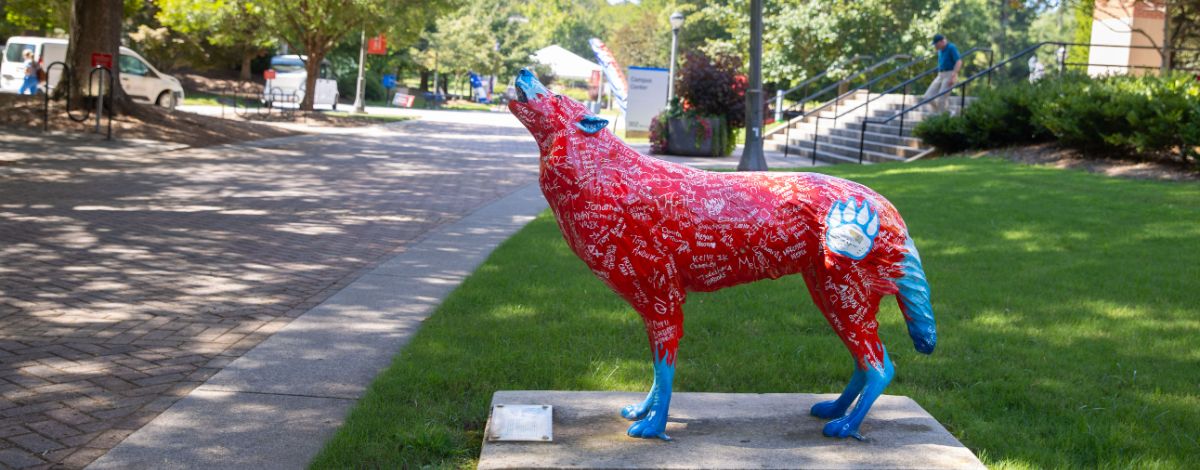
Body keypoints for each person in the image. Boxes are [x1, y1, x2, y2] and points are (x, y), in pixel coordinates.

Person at [923, 34, 961, 114]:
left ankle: (942, 116)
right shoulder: (940, 50)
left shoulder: (951, 47)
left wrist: (953, 76)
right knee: (927, 97)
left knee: (942, 99)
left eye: (936, 44)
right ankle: (947, 112)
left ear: (942, 42)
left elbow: (959, 61)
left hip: (949, 74)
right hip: (940, 75)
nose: (935, 46)